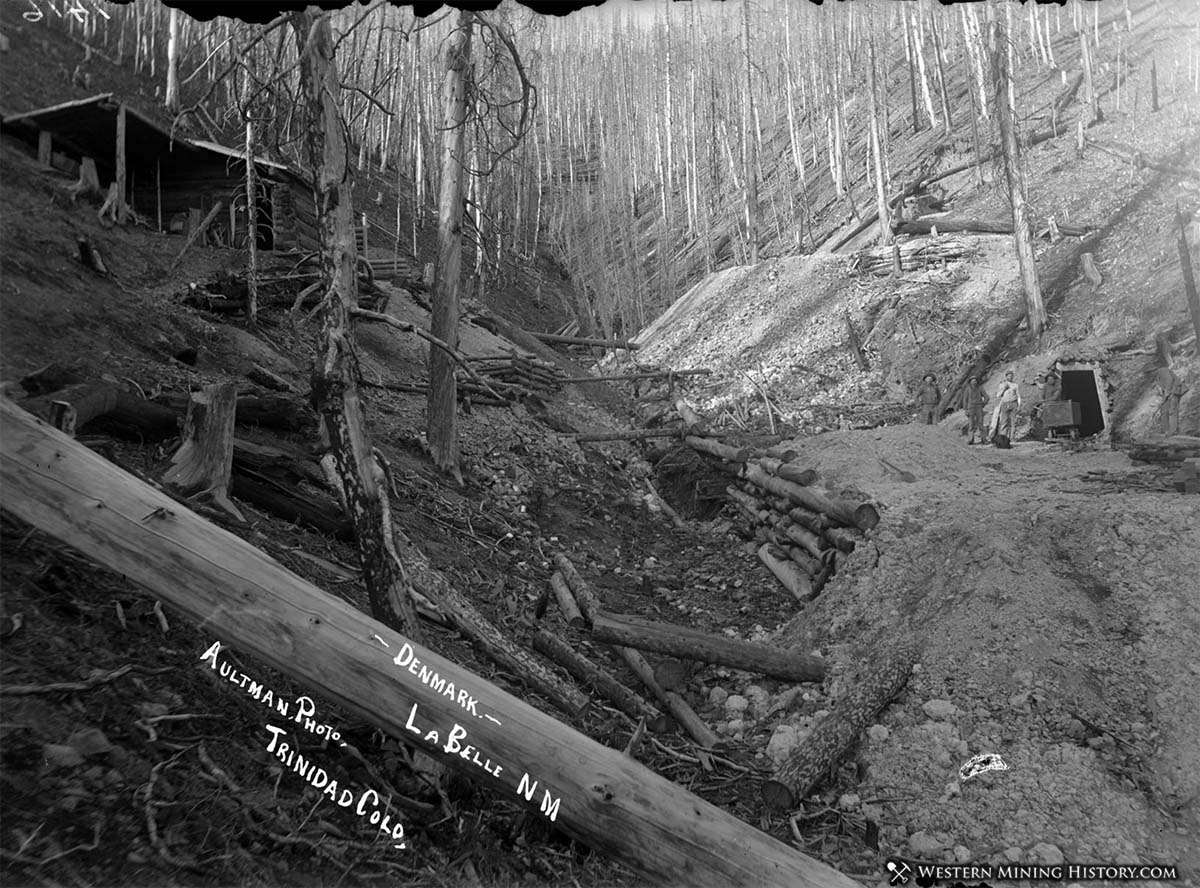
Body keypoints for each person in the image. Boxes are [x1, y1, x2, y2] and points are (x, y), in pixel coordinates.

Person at [1155, 365, 1187, 435]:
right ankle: (1165, 430)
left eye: (1148, 373)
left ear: (1152, 371)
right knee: (1163, 410)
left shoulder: (1163, 370)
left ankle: (1173, 431)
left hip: (1175, 390)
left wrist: (1168, 392)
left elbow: (1169, 380)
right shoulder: (1157, 376)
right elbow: (1162, 388)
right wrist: (1164, 397)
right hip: (1169, 392)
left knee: (1172, 410)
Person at [993, 370, 1022, 443]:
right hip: (1005, 403)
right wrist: (1004, 389)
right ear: (1006, 376)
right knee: (1004, 421)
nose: (1010, 377)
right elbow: (998, 395)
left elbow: (1018, 396)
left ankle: (1012, 437)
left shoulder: (1015, 385)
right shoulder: (1002, 384)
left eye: (1011, 375)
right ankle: (1003, 437)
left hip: (1014, 403)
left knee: (1013, 422)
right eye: (1008, 375)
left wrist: (1019, 405)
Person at [961, 375, 989, 444]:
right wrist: (965, 409)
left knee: (981, 424)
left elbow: (987, 397)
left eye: (975, 380)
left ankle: (984, 439)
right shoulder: (967, 389)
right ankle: (970, 439)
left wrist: (983, 404)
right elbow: (965, 400)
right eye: (972, 381)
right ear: (970, 382)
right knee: (971, 424)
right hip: (970, 408)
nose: (974, 382)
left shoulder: (980, 388)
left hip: (979, 407)